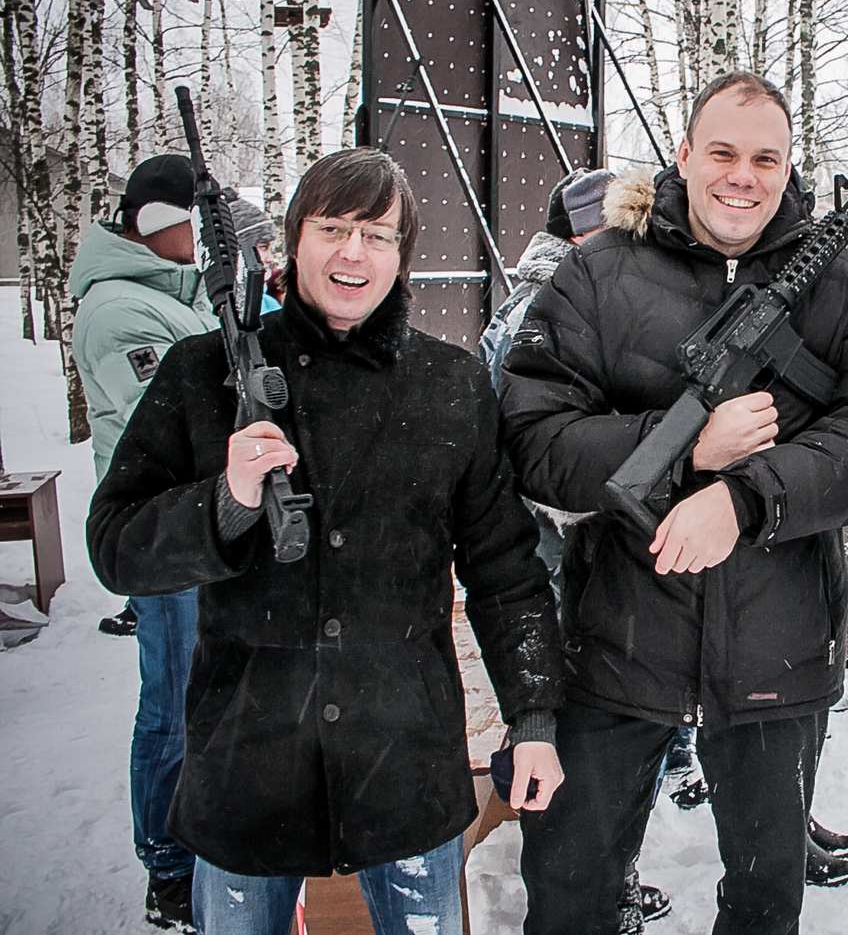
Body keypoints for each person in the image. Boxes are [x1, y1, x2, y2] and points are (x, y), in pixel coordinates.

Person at [86, 147, 566, 935]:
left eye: (378, 235)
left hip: (404, 768)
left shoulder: (450, 386)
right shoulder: (203, 375)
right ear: (294, 240)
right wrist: (226, 501)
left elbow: (505, 570)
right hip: (247, 770)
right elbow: (115, 545)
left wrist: (535, 714)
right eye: (333, 228)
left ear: (402, 255)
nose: (354, 252)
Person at [501, 70, 848, 935]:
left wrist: (746, 497)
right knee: (570, 892)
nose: (742, 177)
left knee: (764, 905)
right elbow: (534, 438)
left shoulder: (840, 283)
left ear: (789, 166)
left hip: (777, 654)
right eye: (722, 152)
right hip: (615, 647)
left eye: (766, 159)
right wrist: (684, 443)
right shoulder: (597, 272)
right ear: (684, 154)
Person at [479, 166, 678, 931]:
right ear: (583, 231)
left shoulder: (590, 294)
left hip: (593, 566)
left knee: (599, 757)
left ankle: (608, 881)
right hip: (551, 570)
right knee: (557, 749)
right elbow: (532, 459)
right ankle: (572, 893)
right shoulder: (545, 302)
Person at [68, 153, 220, 929]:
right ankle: (168, 867)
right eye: (195, 222)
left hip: (196, 527)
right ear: (159, 223)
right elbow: (167, 431)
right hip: (163, 538)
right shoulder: (121, 311)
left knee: (199, 695)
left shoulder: (167, 294)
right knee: (173, 704)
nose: (203, 238)